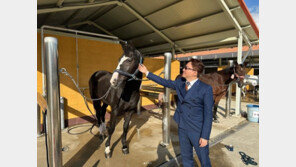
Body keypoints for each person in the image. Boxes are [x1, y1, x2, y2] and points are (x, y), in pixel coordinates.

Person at [138, 59, 214, 167]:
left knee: (204, 160)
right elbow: (165, 82)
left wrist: (205, 136)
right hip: (182, 127)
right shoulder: (180, 83)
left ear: (194, 72)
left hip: (197, 130)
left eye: (186, 68)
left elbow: (208, 114)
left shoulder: (205, 89)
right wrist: (147, 72)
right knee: (186, 158)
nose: (183, 69)